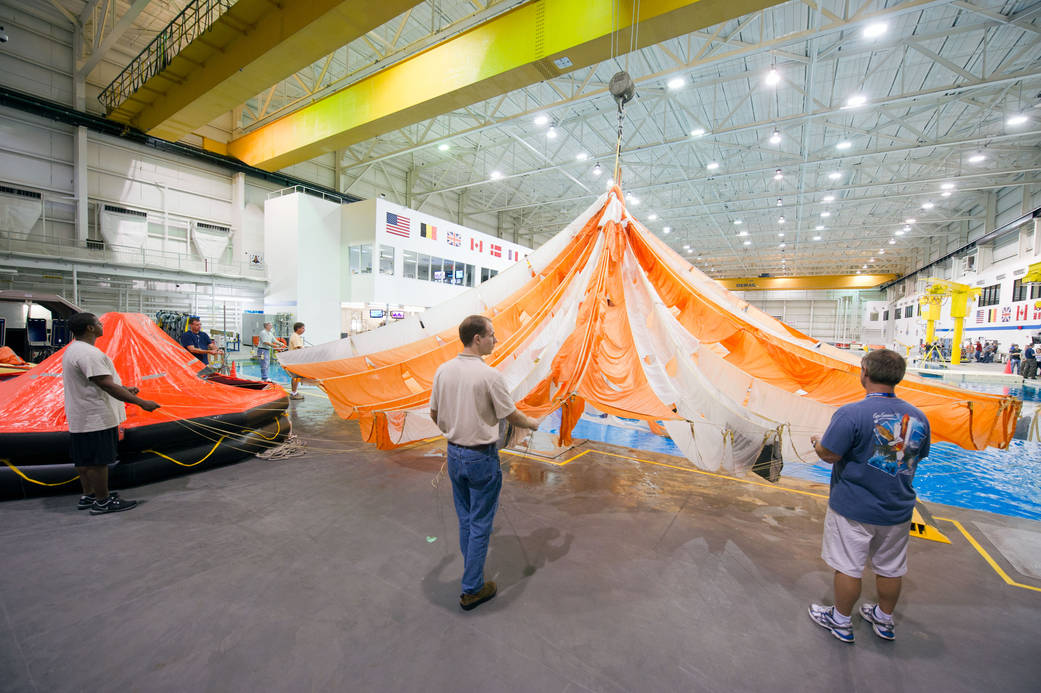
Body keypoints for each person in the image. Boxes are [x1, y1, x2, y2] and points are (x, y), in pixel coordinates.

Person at [807, 349, 930, 643]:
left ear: (864, 373)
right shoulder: (918, 417)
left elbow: (830, 454)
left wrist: (817, 443)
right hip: (897, 509)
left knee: (848, 566)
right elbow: (915, 456)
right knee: (891, 567)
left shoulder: (850, 413)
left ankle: (840, 621)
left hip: (853, 508)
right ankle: (884, 620)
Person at [429, 315, 540, 611]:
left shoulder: (443, 371)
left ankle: (471, 570)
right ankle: (472, 588)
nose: (495, 339)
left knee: (466, 518)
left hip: (453, 454)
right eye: (491, 334)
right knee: (480, 524)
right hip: (481, 458)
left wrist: (454, 431)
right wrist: (532, 422)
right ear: (477, 338)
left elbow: (434, 413)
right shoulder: (490, 376)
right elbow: (511, 415)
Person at [63, 313, 160, 514]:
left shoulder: (73, 350)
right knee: (98, 461)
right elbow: (106, 384)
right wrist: (142, 403)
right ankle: (103, 501)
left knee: (84, 459)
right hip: (95, 417)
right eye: (98, 323)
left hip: (81, 415)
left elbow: (95, 382)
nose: (101, 326)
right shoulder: (89, 353)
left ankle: (89, 495)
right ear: (90, 328)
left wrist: (124, 387)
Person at [288, 322, 306, 400]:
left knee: (296, 377)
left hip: (295, 359)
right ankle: (294, 393)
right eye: (303, 328)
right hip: (294, 360)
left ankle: (294, 392)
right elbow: (298, 347)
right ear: (298, 329)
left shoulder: (296, 336)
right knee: (295, 377)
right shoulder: (295, 337)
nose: (304, 330)